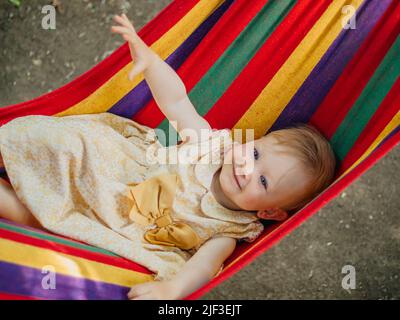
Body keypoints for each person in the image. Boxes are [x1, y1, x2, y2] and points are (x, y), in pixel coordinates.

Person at [0, 14, 336, 300]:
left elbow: (202, 267)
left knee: (48, 222)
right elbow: (176, 102)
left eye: (264, 181)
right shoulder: (209, 145)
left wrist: (173, 290)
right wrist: (151, 63)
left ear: (269, 211)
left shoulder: (229, 232)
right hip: (110, 171)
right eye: (256, 152)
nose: (247, 167)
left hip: (118, 233)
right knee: (67, 144)